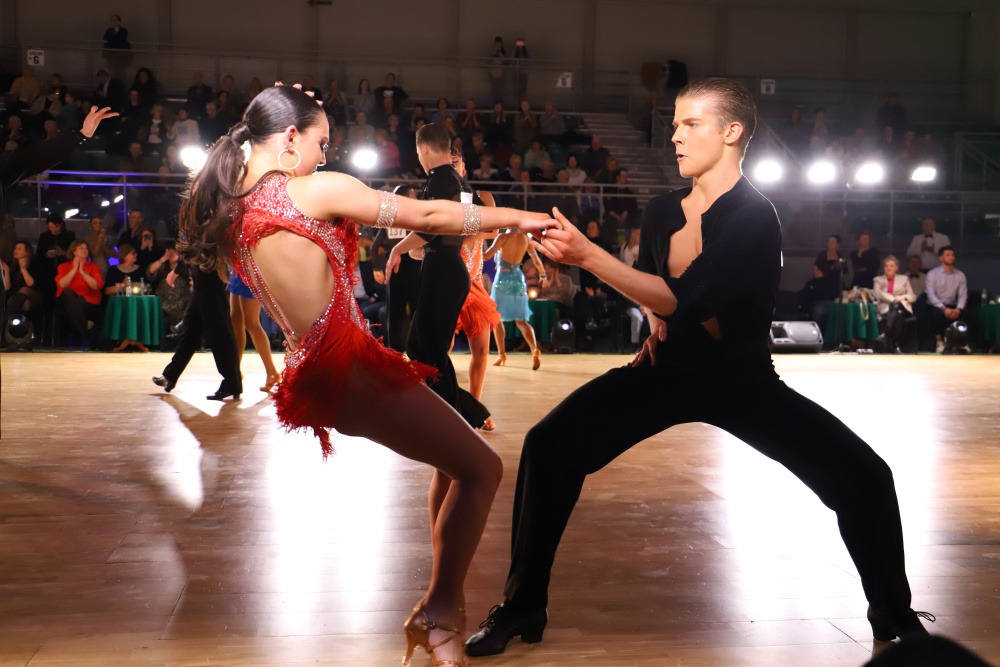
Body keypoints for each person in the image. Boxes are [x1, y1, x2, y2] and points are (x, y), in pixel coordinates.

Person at [465, 77, 932, 656]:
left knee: (865, 477)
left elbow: (691, 298)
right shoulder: (662, 209)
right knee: (549, 444)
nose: (676, 137)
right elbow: (651, 285)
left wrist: (589, 256)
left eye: (691, 124)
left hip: (740, 379)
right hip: (668, 369)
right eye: (675, 125)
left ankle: (893, 614)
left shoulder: (755, 216)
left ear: (731, 132)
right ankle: (521, 607)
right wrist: (651, 318)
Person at [170, 84, 550, 666]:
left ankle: (442, 601)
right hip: (350, 371)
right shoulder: (313, 190)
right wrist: (521, 216)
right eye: (321, 141)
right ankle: (438, 612)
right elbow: (430, 215)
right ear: (291, 137)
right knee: (484, 470)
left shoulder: (233, 204)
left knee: (456, 460)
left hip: (326, 370)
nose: (325, 154)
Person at [383, 123, 493, 429]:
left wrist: (399, 250)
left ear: (424, 149)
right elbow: (479, 222)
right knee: (419, 347)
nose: (419, 158)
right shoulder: (461, 184)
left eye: (418, 152)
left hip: (443, 268)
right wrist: (451, 240)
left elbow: (428, 226)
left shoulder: (440, 180)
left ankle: (455, 419)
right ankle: (467, 412)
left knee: (429, 351)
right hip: (449, 267)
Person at [484, 227, 547, 370]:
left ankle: (501, 354)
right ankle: (534, 350)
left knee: (497, 318)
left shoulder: (503, 238)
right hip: (518, 280)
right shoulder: (526, 240)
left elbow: (487, 256)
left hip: (502, 279)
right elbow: (536, 261)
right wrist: (543, 275)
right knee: (521, 321)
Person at [371, 184, 421, 352]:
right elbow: (374, 247)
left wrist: (377, 268)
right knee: (411, 309)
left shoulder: (391, 218)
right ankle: (412, 350)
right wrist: (376, 268)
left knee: (398, 311)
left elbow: (374, 248)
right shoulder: (411, 217)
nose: (415, 198)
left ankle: (397, 351)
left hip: (397, 267)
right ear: (404, 197)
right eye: (412, 195)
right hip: (408, 266)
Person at [228, 269, 281, 393]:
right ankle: (236, 371)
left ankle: (272, 372)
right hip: (238, 269)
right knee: (235, 320)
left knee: (251, 323)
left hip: (250, 270)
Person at [54, 239, 104, 349]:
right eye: (81, 248)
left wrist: (82, 272)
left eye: (86, 248)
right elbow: (62, 284)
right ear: (74, 252)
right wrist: (74, 269)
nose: (84, 250)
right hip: (67, 301)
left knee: (73, 306)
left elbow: (97, 286)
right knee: (68, 293)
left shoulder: (93, 267)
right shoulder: (64, 267)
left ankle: (85, 336)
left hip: (87, 302)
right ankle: (87, 334)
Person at [924, 246, 968, 354]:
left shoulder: (960, 275)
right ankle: (939, 342)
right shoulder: (932, 274)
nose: (951, 257)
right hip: (937, 305)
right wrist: (943, 308)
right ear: (941, 258)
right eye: (948, 255)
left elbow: (963, 295)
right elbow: (930, 295)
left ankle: (962, 343)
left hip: (953, 305)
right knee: (935, 314)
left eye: (952, 255)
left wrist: (959, 309)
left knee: (968, 313)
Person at [872, 255, 916, 354]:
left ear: (896, 268)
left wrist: (903, 297)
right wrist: (894, 299)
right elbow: (878, 294)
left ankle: (885, 333)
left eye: (891, 266)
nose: (889, 268)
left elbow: (912, 296)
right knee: (899, 314)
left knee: (898, 309)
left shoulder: (904, 279)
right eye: (886, 266)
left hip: (903, 306)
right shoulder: (878, 279)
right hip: (886, 307)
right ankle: (896, 346)